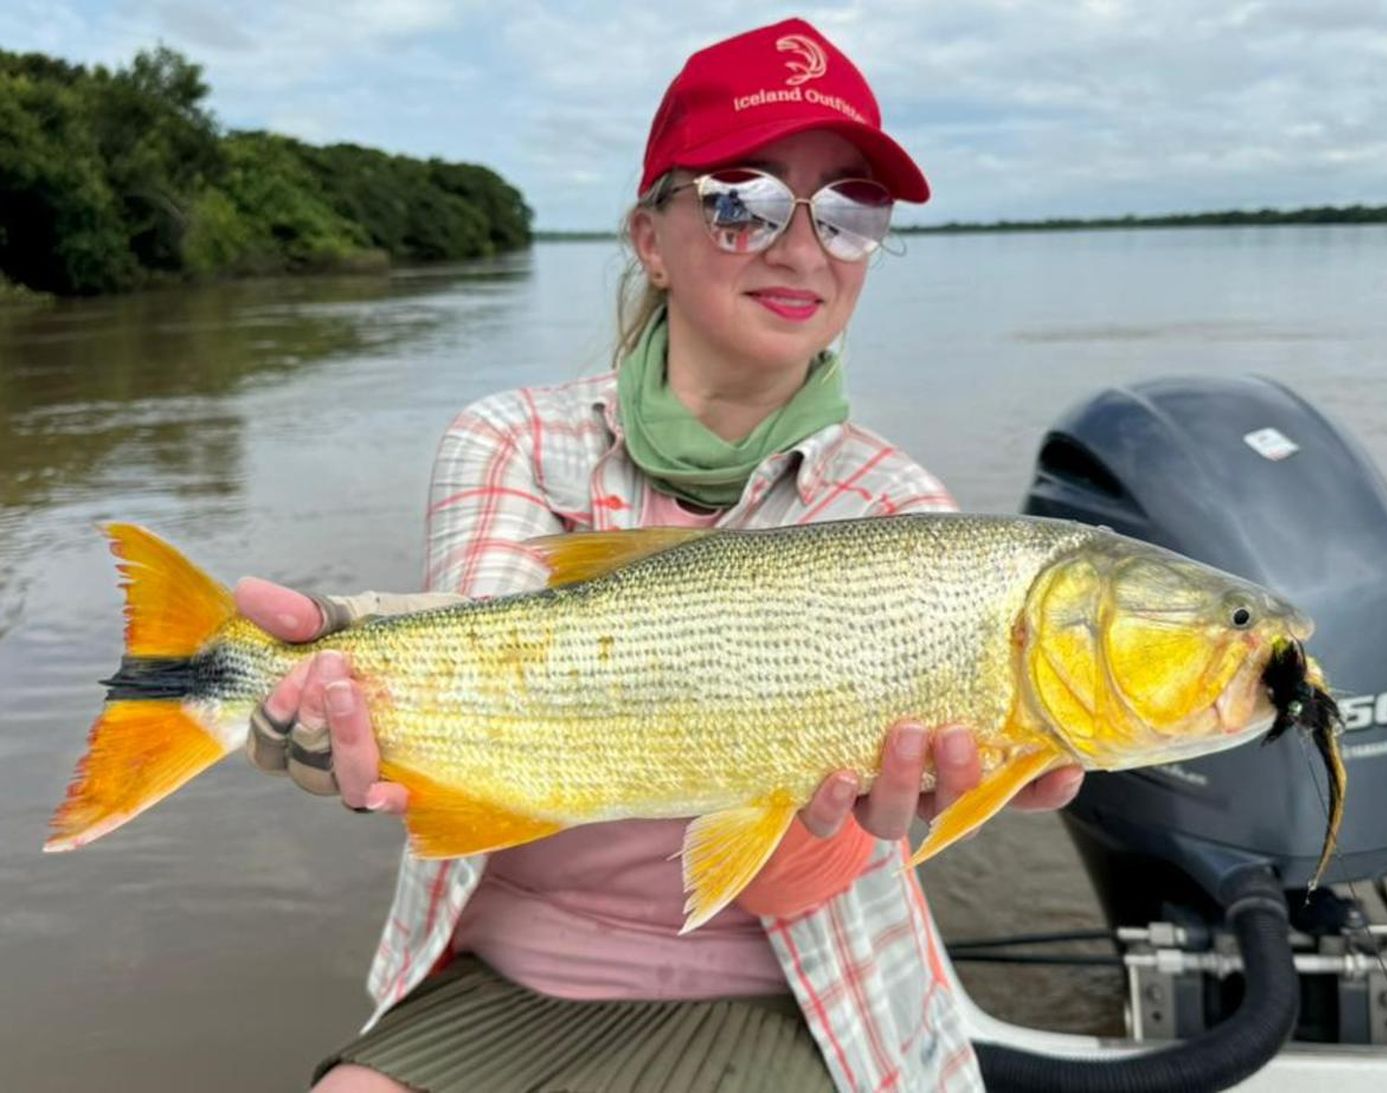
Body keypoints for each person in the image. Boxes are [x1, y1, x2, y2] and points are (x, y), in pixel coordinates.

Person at [237, 18, 1083, 1092]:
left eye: (847, 211)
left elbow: (804, 877)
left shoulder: (897, 506)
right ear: (650, 236)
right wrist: (339, 689)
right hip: (511, 973)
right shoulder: (511, 439)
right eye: (745, 201)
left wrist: (887, 806)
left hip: (802, 987)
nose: (801, 247)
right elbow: (493, 661)